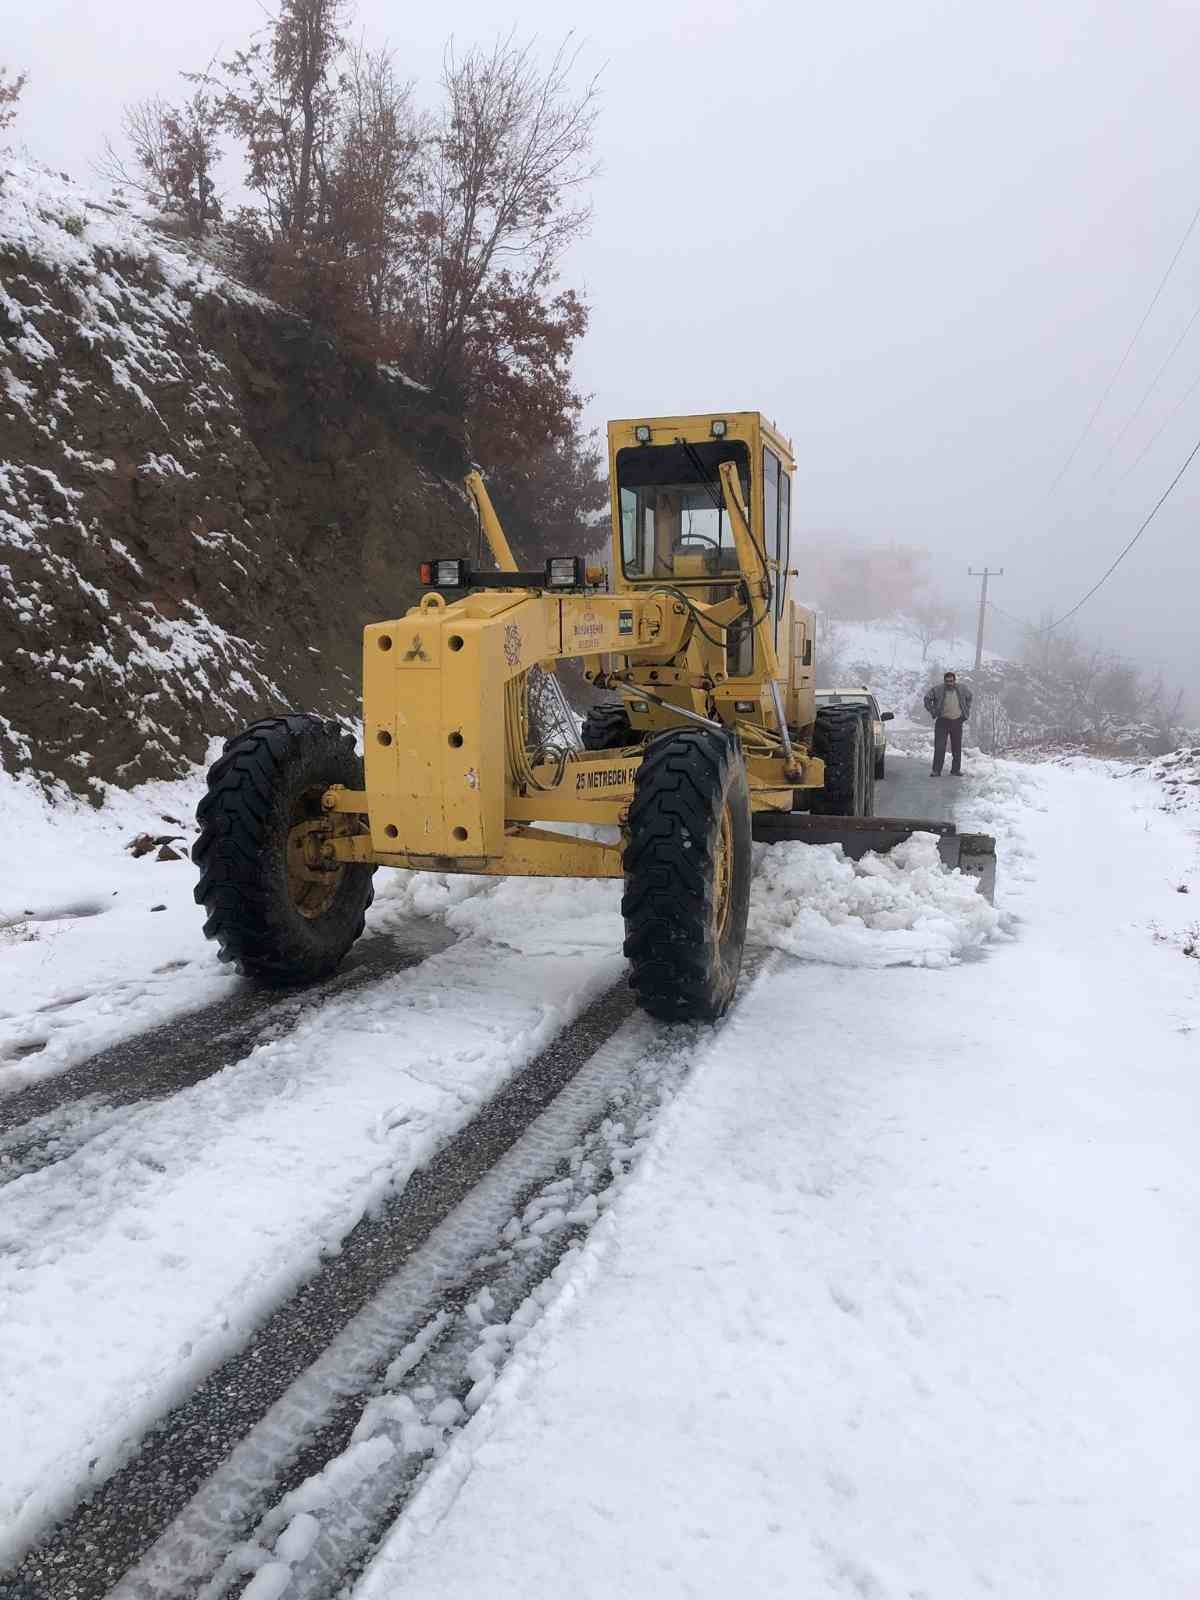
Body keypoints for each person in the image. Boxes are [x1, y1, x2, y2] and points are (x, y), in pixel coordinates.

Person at [923, 670, 973, 776]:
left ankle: (955, 770)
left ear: (955, 681)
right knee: (940, 747)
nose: (949, 683)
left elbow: (969, 697)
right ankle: (936, 771)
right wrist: (933, 710)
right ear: (944, 681)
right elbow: (927, 698)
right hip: (942, 722)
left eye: (951, 681)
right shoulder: (938, 689)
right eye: (947, 681)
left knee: (957, 747)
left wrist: (966, 711)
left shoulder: (962, 689)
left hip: (957, 721)